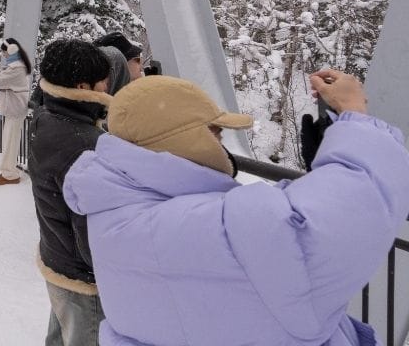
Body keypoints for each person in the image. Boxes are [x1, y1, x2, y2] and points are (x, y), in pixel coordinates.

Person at [64, 70, 409, 345]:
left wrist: (321, 174)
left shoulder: (117, 212)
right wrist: (356, 118)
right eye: (215, 133)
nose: (221, 144)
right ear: (180, 139)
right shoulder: (191, 227)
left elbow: (253, 237)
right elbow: (314, 233)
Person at [28, 39, 112, 346]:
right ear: (83, 85)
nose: (108, 87)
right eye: (103, 80)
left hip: (56, 255)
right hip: (82, 275)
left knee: (60, 334)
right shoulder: (87, 143)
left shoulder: (45, 119)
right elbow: (88, 224)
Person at [0, 39, 32, 186]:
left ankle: (11, 174)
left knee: (10, 142)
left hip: (15, 109)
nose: (3, 55)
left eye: (4, 51)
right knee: (9, 141)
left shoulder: (17, 68)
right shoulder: (16, 66)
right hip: (14, 109)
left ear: (12, 50)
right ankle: (8, 171)